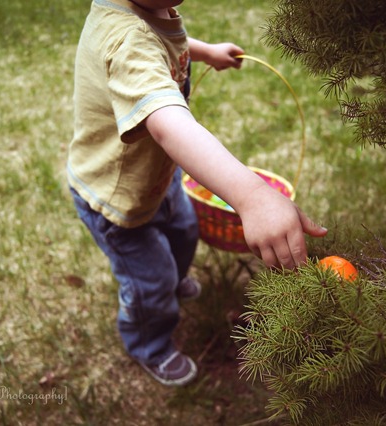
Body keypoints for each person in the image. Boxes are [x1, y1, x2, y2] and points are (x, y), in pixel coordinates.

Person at [67, 0, 328, 387]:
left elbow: (161, 39)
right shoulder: (126, 41)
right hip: (118, 201)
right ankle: (148, 343)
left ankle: (171, 280)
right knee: (149, 284)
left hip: (156, 178)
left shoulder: (144, 11)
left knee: (185, 230)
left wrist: (203, 52)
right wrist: (252, 196)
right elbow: (168, 126)